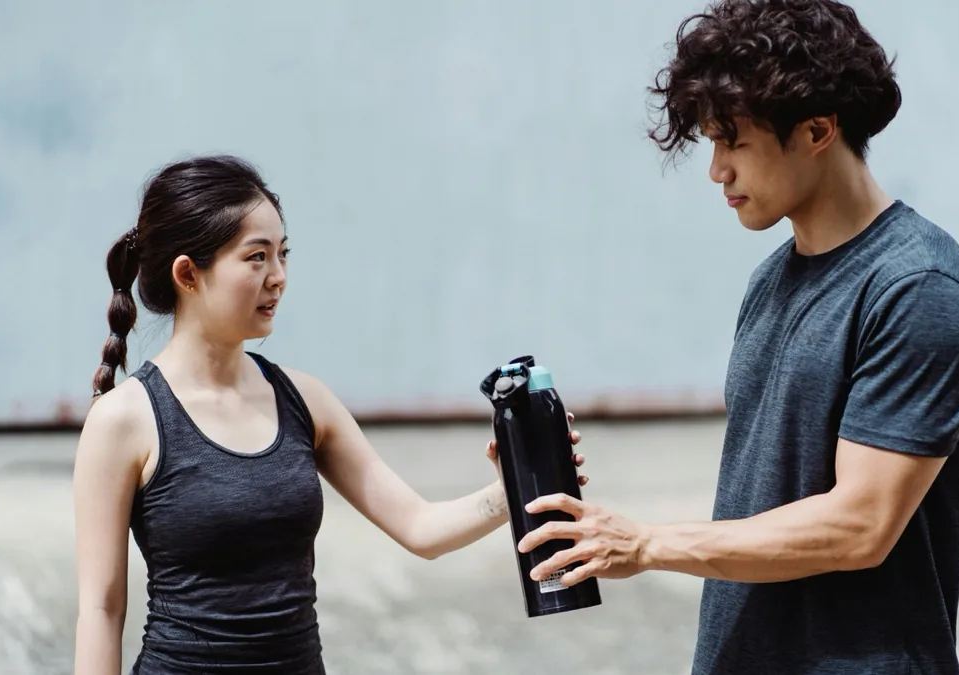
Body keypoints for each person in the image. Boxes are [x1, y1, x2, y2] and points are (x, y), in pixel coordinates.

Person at [517, 1, 959, 673]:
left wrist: (648, 543)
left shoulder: (919, 289)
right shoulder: (772, 278)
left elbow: (860, 525)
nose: (717, 170)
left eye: (733, 142)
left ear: (818, 129)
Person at [71, 154, 587, 675]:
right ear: (188, 273)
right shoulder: (124, 419)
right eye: (256, 257)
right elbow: (101, 609)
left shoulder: (304, 399)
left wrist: (514, 485)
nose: (278, 277)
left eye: (283, 254)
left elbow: (420, 528)